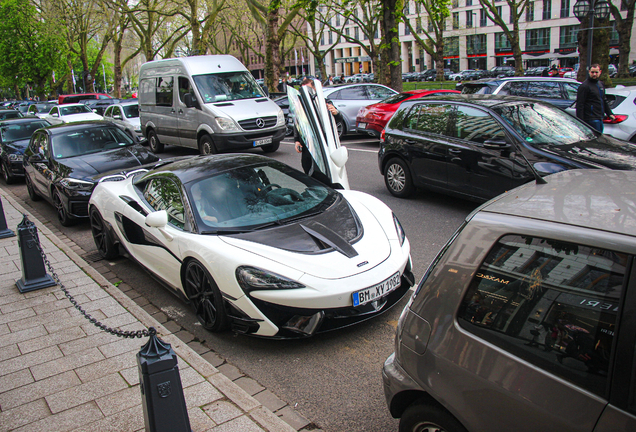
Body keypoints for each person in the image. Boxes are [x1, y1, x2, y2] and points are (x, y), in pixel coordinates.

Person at [293, 78, 342, 185]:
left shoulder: (325, 103)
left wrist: (335, 113)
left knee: (324, 175)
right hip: (308, 146)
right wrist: (297, 140)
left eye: (310, 90)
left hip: (323, 145)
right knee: (309, 173)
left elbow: (338, 119)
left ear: (316, 89)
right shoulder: (302, 106)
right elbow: (298, 122)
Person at [576, 64, 616, 133]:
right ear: (589, 72)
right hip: (590, 118)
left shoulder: (600, 84)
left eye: (596, 72)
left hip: (599, 117)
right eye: (592, 72)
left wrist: (609, 113)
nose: (594, 74)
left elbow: (603, 99)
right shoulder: (585, 86)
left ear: (600, 72)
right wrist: (581, 121)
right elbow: (580, 104)